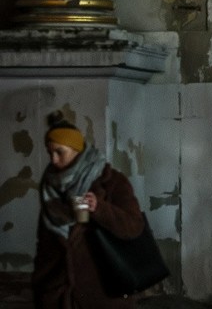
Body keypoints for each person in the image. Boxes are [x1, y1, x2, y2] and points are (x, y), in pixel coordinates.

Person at [32, 111, 146, 308]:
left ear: (77, 150)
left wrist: (100, 208)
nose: (54, 160)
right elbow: (44, 244)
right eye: (50, 153)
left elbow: (134, 227)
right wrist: (42, 287)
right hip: (58, 294)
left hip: (105, 292)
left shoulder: (111, 181)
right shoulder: (50, 187)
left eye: (60, 152)